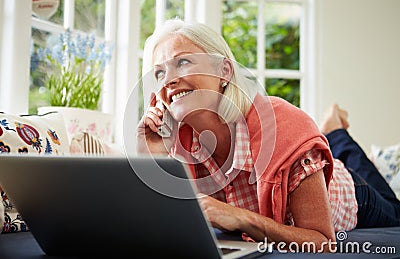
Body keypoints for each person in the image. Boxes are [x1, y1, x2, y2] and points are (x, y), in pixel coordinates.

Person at [136, 19, 399, 252]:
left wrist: (241, 218)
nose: (167, 80)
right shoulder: (177, 144)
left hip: (350, 193)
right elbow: (161, 230)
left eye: (182, 62)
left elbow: (323, 242)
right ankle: (333, 135)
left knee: (395, 209)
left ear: (224, 72)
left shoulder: (283, 126)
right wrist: (153, 158)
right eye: (159, 72)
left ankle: (335, 132)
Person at [320, 104, 400, 228]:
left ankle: (336, 134)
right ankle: (336, 134)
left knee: (396, 211)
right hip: (342, 182)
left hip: (344, 186)